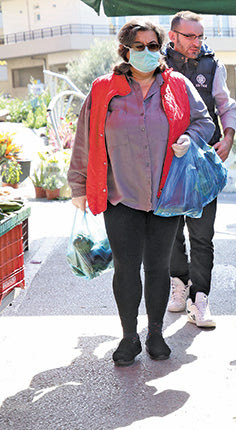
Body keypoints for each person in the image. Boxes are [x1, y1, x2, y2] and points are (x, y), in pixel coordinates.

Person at [67, 19, 215, 366]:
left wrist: (188, 139)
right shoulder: (104, 89)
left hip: (167, 195)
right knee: (126, 267)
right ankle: (129, 336)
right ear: (125, 50)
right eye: (139, 46)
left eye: (153, 46)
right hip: (120, 195)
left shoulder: (177, 84)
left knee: (159, 267)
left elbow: (204, 121)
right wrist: (78, 184)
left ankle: (156, 333)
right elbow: (85, 140)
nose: (147, 52)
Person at [164, 10, 236, 328]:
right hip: (166, 163)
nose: (197, 43)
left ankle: (201, 300)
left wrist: (230, 135)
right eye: (190, 36)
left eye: (200, 36)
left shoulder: (213, 64)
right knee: (169, 232)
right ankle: (179, 284)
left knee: (203, 235)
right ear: (173, 37)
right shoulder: (155, 63)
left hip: (203, 162)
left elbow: (225, 103)